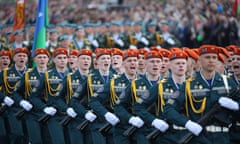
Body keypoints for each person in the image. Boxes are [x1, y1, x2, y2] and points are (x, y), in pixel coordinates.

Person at [164, 45, 240, 144]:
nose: (211, 60)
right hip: (199, 138)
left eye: (214, 57)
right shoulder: (189, 84)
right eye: (207, 57)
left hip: (222, 138)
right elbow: (169, 109)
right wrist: (187, 123)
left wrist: (236, 107)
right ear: (199, 61)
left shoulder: (227, 82)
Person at [134, 50, 188, 144]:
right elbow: (138, 106)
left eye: (183, 63)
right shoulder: (160, 86)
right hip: (167, 134)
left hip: (189, 132)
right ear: (170, 65)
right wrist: (154, 121)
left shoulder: (192, 85)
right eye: (177, 63)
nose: (181, 66)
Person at [90, 49, 139, 144]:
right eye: (129, 61)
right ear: (123, 63)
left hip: (142, 128)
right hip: (121, 127)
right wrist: (107, 114)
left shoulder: (143, 83)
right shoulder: (114, 82)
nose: (132, 63)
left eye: (135, 60)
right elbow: (94, 101)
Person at [30, 48, 69, 144]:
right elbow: (33, 96)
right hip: (54, 115)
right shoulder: (47, 76)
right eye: (59, 58)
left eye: (64, 58)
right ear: (54, 60)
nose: (62, 60)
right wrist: (44, 108)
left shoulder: (73, 75)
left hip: (71, 115)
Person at [58, 49, 95, 144]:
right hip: (75, 118)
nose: (86, 61)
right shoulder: (69, 78)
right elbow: (57, 98)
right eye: (83, 59)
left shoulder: (95, 78)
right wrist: (67, 109)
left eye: (88, 59)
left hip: (92, 118)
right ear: (77, 61)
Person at [13, 48, 50, 144]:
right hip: (32, 113)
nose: (42, 59)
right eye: (39, 57)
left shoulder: (53, 75)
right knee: (36, 140)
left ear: (48, 59)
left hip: (50, 113)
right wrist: (22, 102)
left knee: (48, 140)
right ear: (34, 59)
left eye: (44, 57)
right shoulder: (27, 75)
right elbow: (16, 92)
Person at [0, 47, 29, 144]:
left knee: (27, 136)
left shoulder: (31, 73)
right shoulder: (5, 73)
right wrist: (4, 98)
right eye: (19, 55)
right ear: (14, 58)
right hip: (11, 108)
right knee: (17, 134)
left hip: (28, 108)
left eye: (24, 56)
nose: (22, 58)